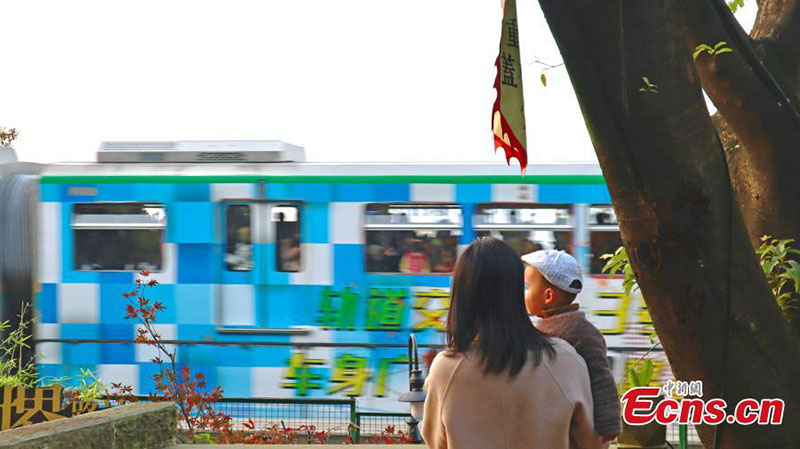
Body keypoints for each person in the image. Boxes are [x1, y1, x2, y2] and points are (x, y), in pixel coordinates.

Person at [422, 237, 604, 449]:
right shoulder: (566, 359)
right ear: (516, 290)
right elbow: (593, 442)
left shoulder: (446, 368)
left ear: (462, 296)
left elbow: (436, 442)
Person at [521, 249, 621, 445]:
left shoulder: (575, 332)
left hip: (575, 430)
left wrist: (608, 427)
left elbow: (601, 378)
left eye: (527, 287)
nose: (524, 294)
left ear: (548, 296)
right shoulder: (570, 328)